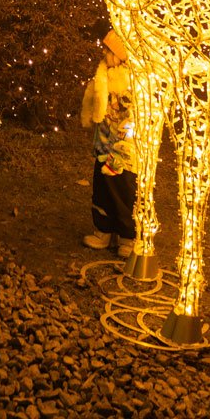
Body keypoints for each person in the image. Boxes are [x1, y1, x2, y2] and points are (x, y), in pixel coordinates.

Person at [81, 28, 138, 257]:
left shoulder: (133, 80)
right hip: (104, 140)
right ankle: (103, 230)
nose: (104, 53)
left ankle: (127, 235)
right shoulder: (102, 73)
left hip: (125, 146)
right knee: (102, 186)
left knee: (123, 188)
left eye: (108, 50)